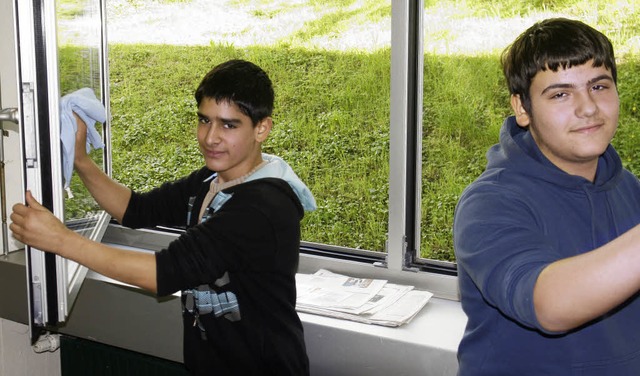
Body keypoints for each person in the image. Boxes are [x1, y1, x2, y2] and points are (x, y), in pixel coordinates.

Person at [11, 59, 316, 376]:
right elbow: (136, 209)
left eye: (229, 125)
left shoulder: (261, 207)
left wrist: (61, 240)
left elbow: (163, 273)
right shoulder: (212, 181)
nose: (210, 138)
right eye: (204, 120)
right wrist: (80, 159)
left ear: (262, 128)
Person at [453, 18, 640, 375]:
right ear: (522, 109)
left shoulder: (629, 188)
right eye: (560, 94)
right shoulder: (488, 203)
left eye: (599, 86)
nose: (588, 108)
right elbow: (550, 304)